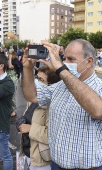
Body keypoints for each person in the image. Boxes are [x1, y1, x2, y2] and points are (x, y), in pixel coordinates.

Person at [22, 39, 102, 169]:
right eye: (64, 58)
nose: (65, 63)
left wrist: (61, 69)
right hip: (56, 165)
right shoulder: (60, 86)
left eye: (71, 59)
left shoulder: (99, 88)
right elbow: (32, 95)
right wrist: (27, 67)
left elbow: (98, 111)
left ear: (89, 61)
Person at [18, 66, 61, 170]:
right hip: (28, 154)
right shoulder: (34, 99)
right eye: (36, 77)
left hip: (42, 161)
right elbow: (28, 118)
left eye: (41, 80)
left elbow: (55, 135)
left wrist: (30, 128)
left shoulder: (53, 105)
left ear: (52, 85)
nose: (36, 81)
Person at [8, 51, 22, 117]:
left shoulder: (16, 62)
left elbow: (10, 66)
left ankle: (13, 110)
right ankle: (9, 109)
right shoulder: (9, 61)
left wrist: (10, 59)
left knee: (12, 95)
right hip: (8, 79)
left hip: (13, 79)